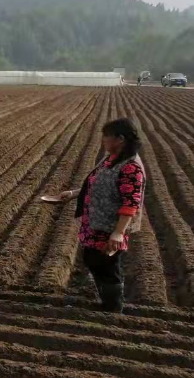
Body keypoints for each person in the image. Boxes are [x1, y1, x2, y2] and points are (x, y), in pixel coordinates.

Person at [56, 119, 146, 313]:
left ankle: (113, 309)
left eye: (106, 136)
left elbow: (131, 203)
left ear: (120, 139)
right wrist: (73, 194)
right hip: (96, 224)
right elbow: (97, 183)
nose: (103, 140)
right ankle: (107, 301)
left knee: (107, 267)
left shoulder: (131, 167)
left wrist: (118, 233)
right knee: (92, 259)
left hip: (109, 229)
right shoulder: (112, 158)